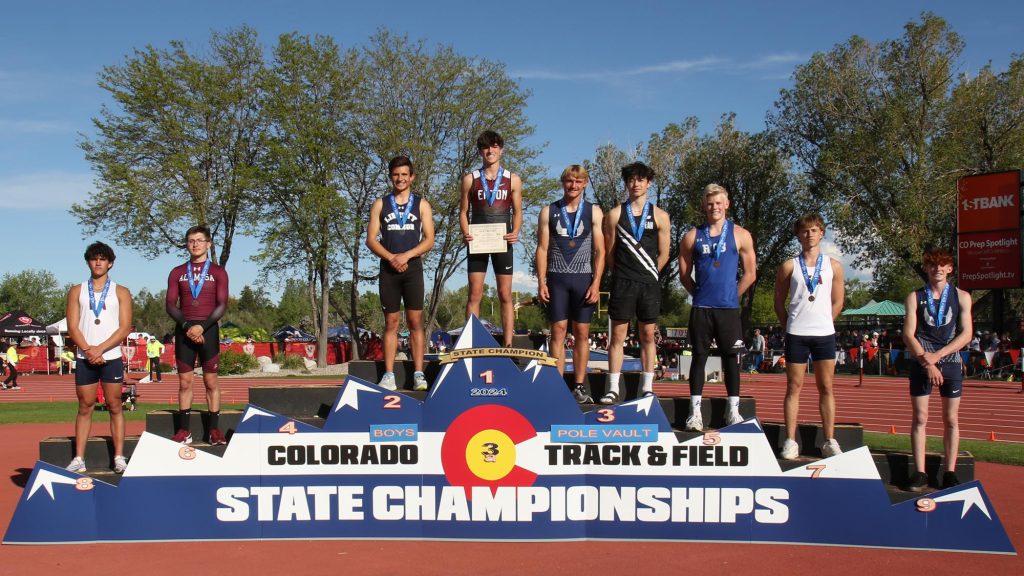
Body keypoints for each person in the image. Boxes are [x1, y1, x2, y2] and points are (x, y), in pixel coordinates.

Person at [678, 183, 757, 429]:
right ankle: (695, 413)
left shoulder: (741, 234)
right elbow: (683, 274)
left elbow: (751, 273)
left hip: (728, 309)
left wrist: (732, 295)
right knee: (698, 359)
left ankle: (733, 411)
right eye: (710, 203)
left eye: (718, 203)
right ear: (704, 206)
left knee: (731, 360)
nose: (714, 207)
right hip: (702, 308)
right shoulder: (692, 236)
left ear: (726, 204)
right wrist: (699, 295)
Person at [773, 213, 845, 459]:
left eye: (814, 230)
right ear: (798, 235)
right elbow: (778, 302)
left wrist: (826, 321)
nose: (809, 235)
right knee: (794, 387)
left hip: (824, 334)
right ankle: (791, 441)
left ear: (822, 233)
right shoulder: (789, 266)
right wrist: (789, 325)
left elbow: (838, 301)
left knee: (826, 387)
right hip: (797, 334)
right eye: (805, 231)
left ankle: (829, 440)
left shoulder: (833, 265)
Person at [600, 162, 671, 404]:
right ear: (626, 183)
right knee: (617, 337)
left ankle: (647, 387)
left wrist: (649, 273)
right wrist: (623, 274)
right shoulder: (615, 215)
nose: (636, 184)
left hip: (648, 284)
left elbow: (664, 253)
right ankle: (612, 388)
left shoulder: (661, 216)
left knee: (648, 335)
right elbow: (609, 253)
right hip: (623, 283)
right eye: (631, 180)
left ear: (648, 183)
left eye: (641, 179)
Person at [902, 248, 973, 491]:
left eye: (942, 265)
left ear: (950, 269)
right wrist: (928, 362)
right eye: (933, 265)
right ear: (926, 269)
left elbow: (967, 333)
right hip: (922, 362)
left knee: (950, 418)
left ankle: (950, 472)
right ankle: (920, 472)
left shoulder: (962, 296)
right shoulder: (915, 297)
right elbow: (908, 334)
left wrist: (940, 356)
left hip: (950, 361)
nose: (938, 269)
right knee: (920, 418)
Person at [535, 164, 605, 403]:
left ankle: (578, 385)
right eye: (569, 181)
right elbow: (542, 248)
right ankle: (555, 385)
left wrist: (596, 283)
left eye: (578, 182)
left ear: (585, 184)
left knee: (582, 333)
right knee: (558, 331)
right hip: (557, 278)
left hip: (583, 278)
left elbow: (600, 250)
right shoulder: (548, 211)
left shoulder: (594, 211)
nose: (573, 186)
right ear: (563, 182)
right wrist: (541, 281)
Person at [366, 155, 436, 391]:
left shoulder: (422, 204)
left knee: (416, 322)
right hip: (389, 269)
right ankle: (388, 375)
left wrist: (406, 256)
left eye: (404, 174)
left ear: (412, 177)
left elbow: (430, 240)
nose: (400, 178)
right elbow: (371, 239)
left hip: (412, 268)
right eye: (396, 174)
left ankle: (418, 373)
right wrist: (391, 258)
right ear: (390, 177)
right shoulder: (380, 204)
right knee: (391, 322)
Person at [64, 242, 133, 474]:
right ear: (88, 262)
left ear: (110, 263)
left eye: (102, 259)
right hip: (85, 357)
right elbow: (72, 327)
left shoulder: (121, 291)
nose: (98, 262)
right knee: (85, 406)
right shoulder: (76, 291)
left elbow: (125, 328)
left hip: (110, 356)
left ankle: (119, 456)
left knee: (115, 406)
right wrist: (88, 350)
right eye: (94, 259)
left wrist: (100, 349)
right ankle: (79, 458)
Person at [459, 130, 523, 347]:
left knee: (505, 293)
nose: (490, 150)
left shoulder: (513, 179)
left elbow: (518, 211)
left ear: (501, 150)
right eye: (486, 147)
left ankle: (508, 345)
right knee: (475, 293)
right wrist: (465, 232)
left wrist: (516, 231)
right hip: (477, 240)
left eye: (494, 146)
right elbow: (463, 211)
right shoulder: (470, 179)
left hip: (502, 240)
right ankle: (471, 344)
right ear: (480, 152)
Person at [166, 225, 229, 445]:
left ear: (208, 244)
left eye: (200, 240)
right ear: (187, 244)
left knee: (211, 382)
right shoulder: (176, 272)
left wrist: (202, 327)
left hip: (208, 330)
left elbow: (222, 304)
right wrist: (187, 326)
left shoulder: (218, 272)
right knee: (185, 382)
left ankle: (214, 430)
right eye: (191, 240)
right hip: (184, 331)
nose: (195, 244)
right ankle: (185, 430)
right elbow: (170, 305)